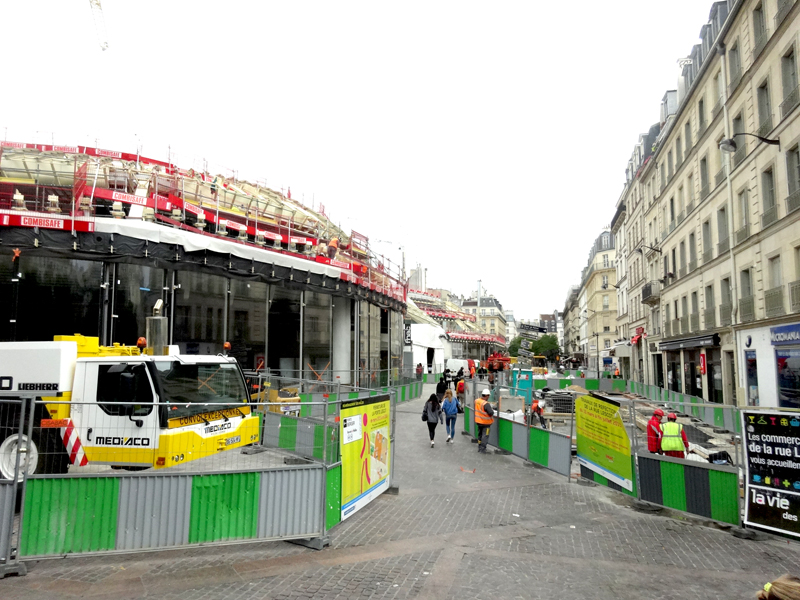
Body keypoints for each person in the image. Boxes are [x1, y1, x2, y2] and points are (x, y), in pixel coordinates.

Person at [475, 388, 495, 453]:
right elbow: (490, 412)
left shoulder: (477, 401)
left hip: (478, 421)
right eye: (488, 396)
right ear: (486, 396)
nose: (489, 397)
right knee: (485, 436)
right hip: (486, 423)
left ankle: (479, 446)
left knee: (480, 434)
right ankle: (482, 449)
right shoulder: (486, 404)